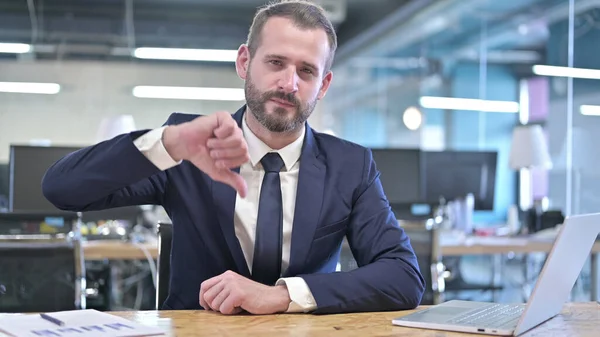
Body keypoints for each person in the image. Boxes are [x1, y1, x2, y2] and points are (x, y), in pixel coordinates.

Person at [42, 0, 425, 315]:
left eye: (306, 71)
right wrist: (167, 143)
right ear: (245, 62)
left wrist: (281, 295)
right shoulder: (190, 147)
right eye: (276, 63)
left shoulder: (350, 166)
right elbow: (62, 190)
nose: (289, 83)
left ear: (323, 85)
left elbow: (404, 277)